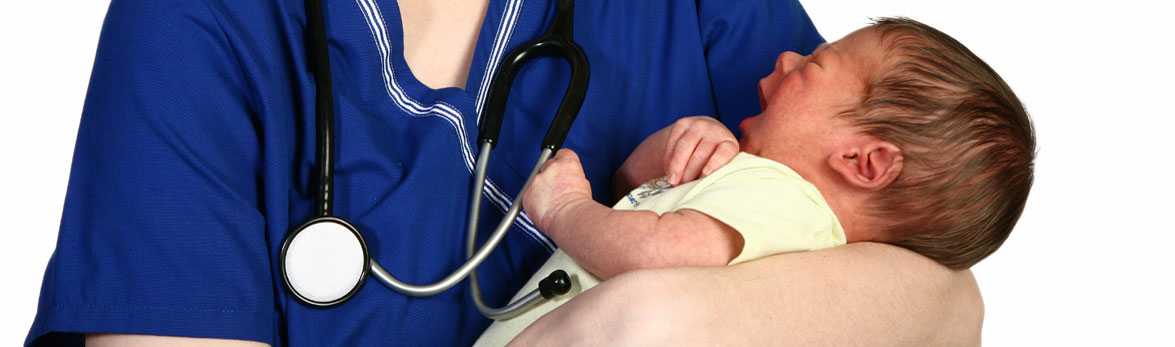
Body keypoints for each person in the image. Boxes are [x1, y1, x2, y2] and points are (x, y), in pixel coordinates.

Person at [25, 1, 982, 346]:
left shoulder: (705, 14)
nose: (783, 78)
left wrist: (646, 322)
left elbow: (935, 285)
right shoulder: (205, 23)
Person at [477, 17, 1033, 344]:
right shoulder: (768, 208)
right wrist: (670, 152)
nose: (787, 56)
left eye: (812, 67)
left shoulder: (784, 199)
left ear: (863, 163)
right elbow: (634, 195)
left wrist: (566, 209)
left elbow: (650, 251)